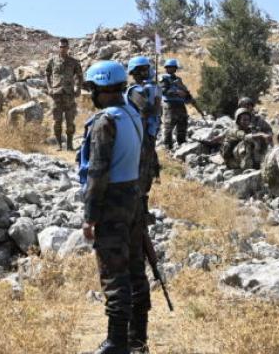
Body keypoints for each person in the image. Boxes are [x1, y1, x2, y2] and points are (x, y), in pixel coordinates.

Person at [78, 60, 149, 354]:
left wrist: (90, 217)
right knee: (135, 267)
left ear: (102, 88)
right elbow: (144, 162)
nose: (91, 94)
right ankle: (138, 339)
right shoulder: (132, 114)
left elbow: (97, 173)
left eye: (92, 88)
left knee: (113, 270)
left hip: (111, 204)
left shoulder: (105, 121)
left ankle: (116, 343)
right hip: (133, 198)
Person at [125, 56, 162, 209]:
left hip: (147, 133)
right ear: (135, 72)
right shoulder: (136, 91)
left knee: (146, 168)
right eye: (142, 69)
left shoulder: (148, 88)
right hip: (140, 134)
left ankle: (140, 204)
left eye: (146, 69)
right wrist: (158, 104)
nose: (145, 72)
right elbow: (145, 109)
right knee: (140, 170)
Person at [46, 38, 82, 151]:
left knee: (70, 121)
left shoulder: (74, 62)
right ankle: (59, 145)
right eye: (61, 47)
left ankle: (70, 145)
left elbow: (80, 76)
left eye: (65, 47)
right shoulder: (52, 61)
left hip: (69, 95)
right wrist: (49, 88)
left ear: (68, 48)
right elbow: (47, 74)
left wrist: (78, 88)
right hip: (56, 94)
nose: (63, 49)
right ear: (58, 47)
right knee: (57, 121)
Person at [158, 58, 195, 150]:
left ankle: (181, 142)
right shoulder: (163, 78)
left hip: (180, 103)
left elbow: (184, 91)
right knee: (168, 124)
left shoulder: (178, 79)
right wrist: (177, 92)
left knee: (183, 122)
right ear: (166, 68)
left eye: (173, 67)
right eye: (169, 67)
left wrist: (187, 96)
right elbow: (163, 91)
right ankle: (168, 145)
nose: (171, 69)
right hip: (169, 104)